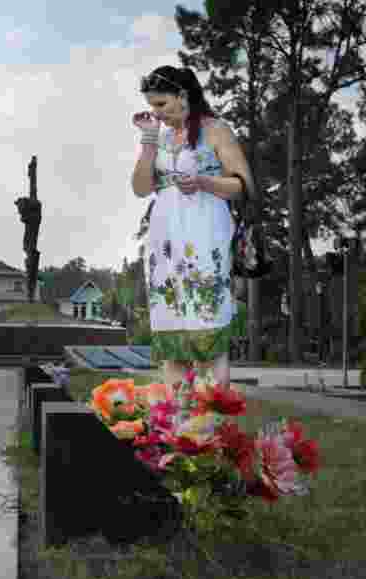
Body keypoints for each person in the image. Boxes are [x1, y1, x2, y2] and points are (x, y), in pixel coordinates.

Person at [131, 66, 255, 394]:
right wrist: (147, 142)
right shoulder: (160, 137)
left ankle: (211, 423)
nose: (156, 112)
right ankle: (177, 424)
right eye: (152, 105)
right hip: (165, 237)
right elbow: (141, 188)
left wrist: (203, 181)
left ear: (183, 95)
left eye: (162, 104)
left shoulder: (216, 130)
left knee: (206, 320)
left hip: (205, 233)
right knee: (171, 329)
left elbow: (243, 185)